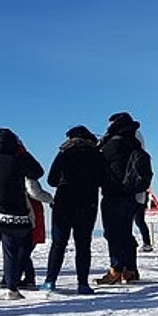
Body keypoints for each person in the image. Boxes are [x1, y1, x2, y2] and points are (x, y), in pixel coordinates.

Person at [0, 128, 44, 300]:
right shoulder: (17, 160)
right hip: (12, 215)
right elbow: (37, 172)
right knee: (11, 253)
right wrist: (22, 151)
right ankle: (12, 289)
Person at [42, 126, 105, 294]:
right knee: (83, 244)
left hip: (64, 201)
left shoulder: (64, 153)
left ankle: (50, 281)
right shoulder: (97, 155)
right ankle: (83, 283)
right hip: (88, 203)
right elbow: (104, 179)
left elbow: (51, 180)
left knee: (58, 244)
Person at [98, 112, 150, 284]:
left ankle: (116, 269)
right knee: (126, 233)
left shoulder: (113, 143)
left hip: (114, 194)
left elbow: (100, 163)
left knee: (112, 233)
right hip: (131, 195)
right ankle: (130, 269)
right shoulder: (134, 141)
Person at [132, 131, 153, 252]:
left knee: (137, 220)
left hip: (138, 193)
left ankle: (146, 242)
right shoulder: (144, 156)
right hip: (141, 194)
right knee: (139, 220)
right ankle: (146, 242)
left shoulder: (139, 156)